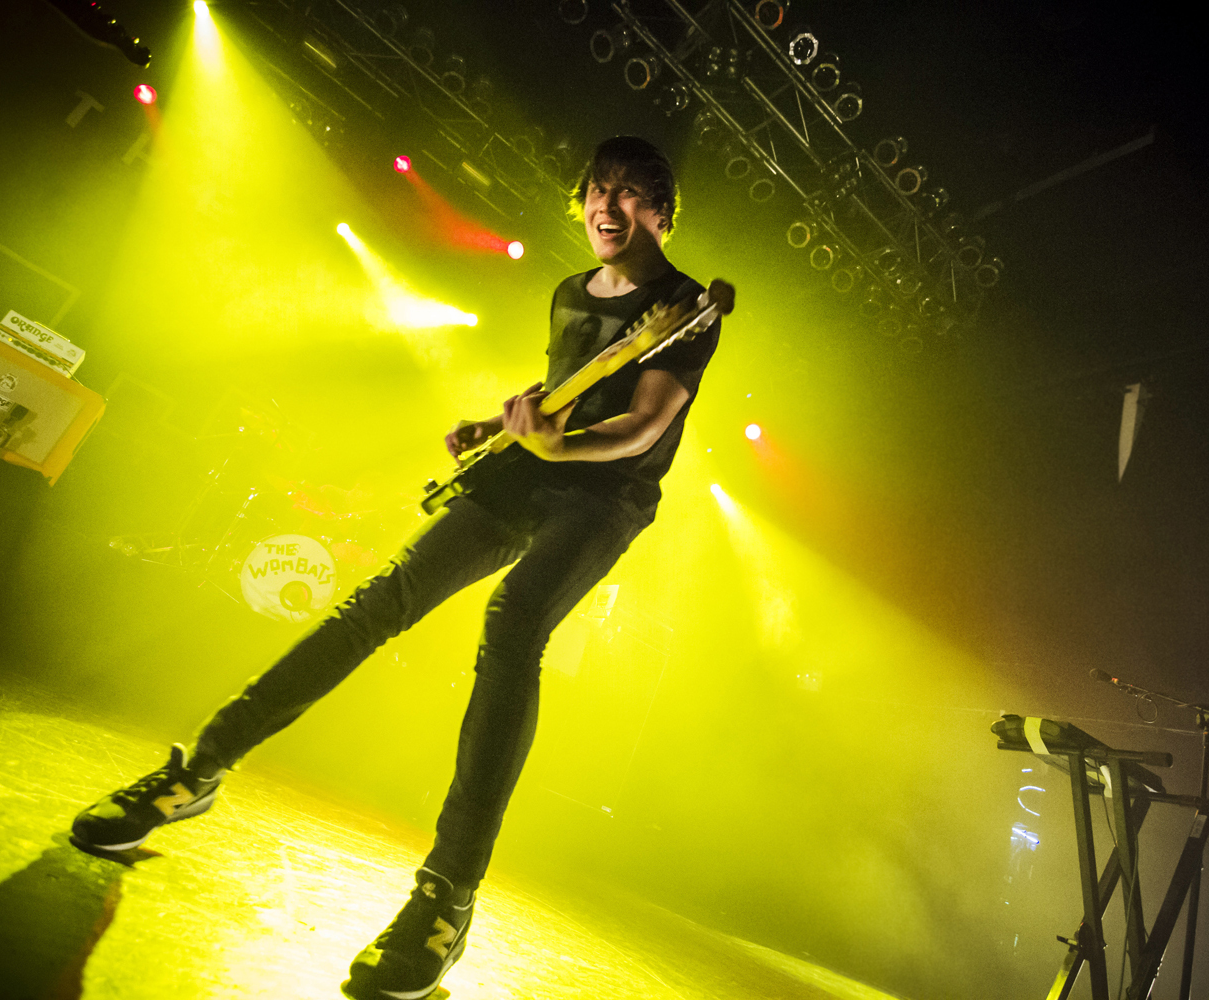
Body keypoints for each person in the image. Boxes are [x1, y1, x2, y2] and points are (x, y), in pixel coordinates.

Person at [70, 135, 723, 999]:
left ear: (663, 213)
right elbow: (565, 384)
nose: (608, 205)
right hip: (527, 469)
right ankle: (200, 767)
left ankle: (446, 900)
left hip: (604, 499)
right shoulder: (571, 292)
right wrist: (499, 431)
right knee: (379, 601)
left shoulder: (688, 306)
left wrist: (560, 445)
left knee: (513, 623)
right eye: (598, 189)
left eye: (632, 193)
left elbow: (641, 425)